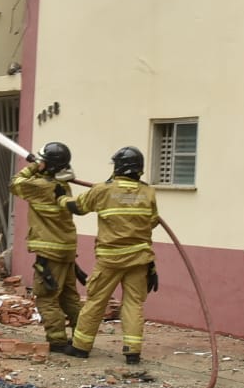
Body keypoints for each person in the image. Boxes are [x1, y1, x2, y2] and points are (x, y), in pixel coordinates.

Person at [58, 146, 159, 364]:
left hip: (110, 259)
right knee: (133, 304)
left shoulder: (103, 190)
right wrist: (152, 265)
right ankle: (132, 352)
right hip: (140, 259)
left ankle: (80, 347)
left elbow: (78, 207)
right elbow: (152, 222)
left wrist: (60, 198)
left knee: (96, 301)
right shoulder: (148, 192)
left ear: (119, 167)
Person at [10, 142, 83, 353]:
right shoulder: (63, 186)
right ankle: (83, 337)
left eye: (42, 160)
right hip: (66, 249)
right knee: (69, 297)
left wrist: (33, 166)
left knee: (46, 297)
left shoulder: (41, 187)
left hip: (50, 251)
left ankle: (57, 341)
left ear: (47, 165)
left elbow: (15, 183)